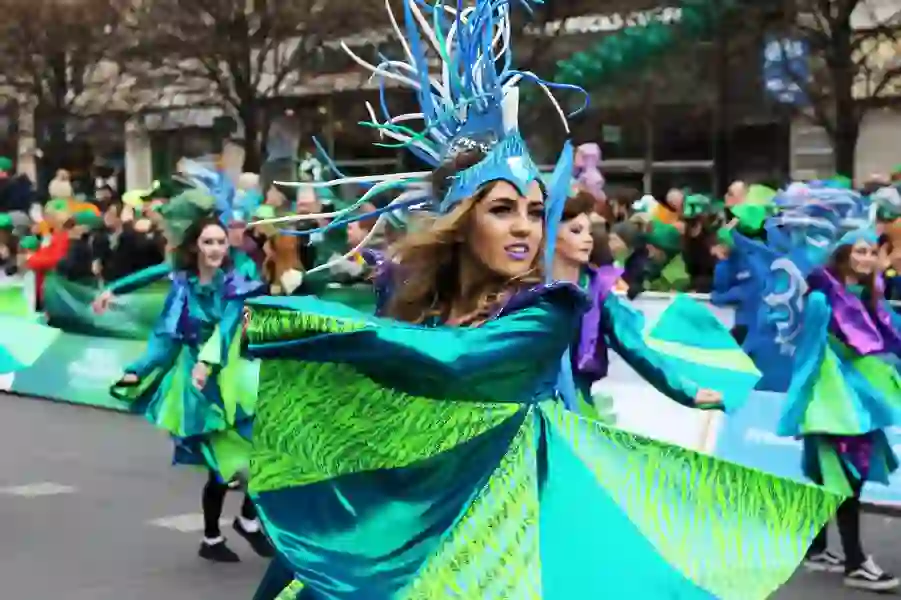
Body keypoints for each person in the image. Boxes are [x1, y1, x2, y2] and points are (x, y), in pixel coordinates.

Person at [240, 1, 842, 598]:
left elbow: (452, 361)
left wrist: (291, 326)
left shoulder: (548, 310)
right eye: (502, 210)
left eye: (535, 211)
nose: (528, 228)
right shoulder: (413, 295)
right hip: (409, 504)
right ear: (460, 222)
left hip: (500, 524)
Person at [743, 199, 901, 592]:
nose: (866, 258)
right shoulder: (821, 299)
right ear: (844, 255)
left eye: (871, 252)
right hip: (834, 403)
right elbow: (809, 352)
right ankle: (855, 562)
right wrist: (805, 405)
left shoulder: (870, 298)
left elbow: (889, 340)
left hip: (857, 400)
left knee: (836, 474)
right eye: (859, 251)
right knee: (846, 476)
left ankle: (819, 548)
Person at [109, 215, 271, 563]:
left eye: (220, 242)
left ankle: (246, 518)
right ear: (195, 247)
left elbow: (229, 327)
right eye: (208, 242)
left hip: (232, 373)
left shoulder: (236, 283)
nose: (215, 249)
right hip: (198, 387)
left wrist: (208, 362)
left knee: (264, 447)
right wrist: (138, 371)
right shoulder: (183, 286)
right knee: (221, 464)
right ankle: (213, 536)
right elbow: (166, 338)